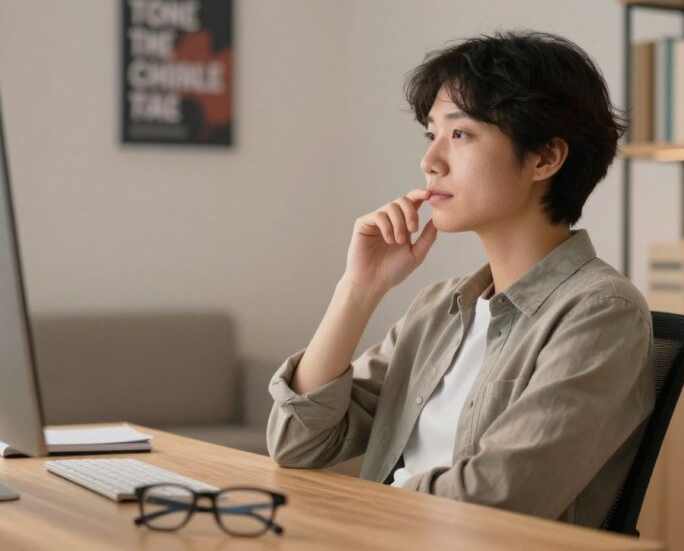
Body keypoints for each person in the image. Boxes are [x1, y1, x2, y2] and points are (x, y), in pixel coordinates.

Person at [266, 30, 655, 529]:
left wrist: (377, 494)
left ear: (545, 158)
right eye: (432, 135)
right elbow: (298, 443)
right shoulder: (441, 306)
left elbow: (497, 500)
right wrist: (358, 290)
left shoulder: (602, 312)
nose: (430, 162)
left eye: (461, 134)